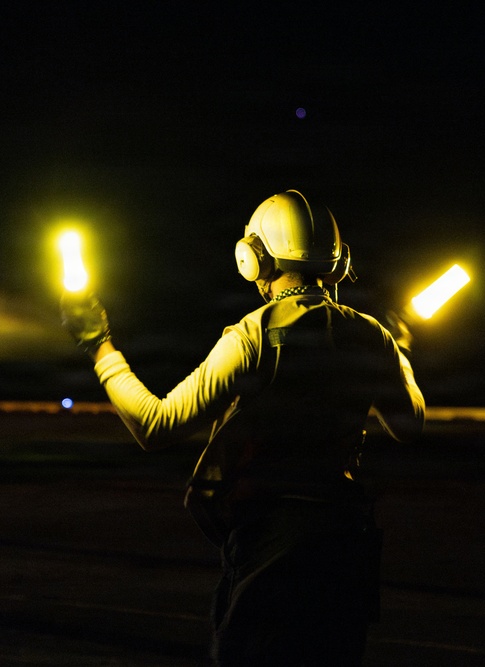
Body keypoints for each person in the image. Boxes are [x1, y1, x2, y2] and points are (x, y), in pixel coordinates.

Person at [60, 188, 425, 666]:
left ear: (254, 259)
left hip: (271, 549)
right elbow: (408, 424)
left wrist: (99, 347)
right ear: (337, 262)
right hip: (344, 547)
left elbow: (155, 424)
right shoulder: (371, 335)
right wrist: (396, 355)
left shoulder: (251, 336)